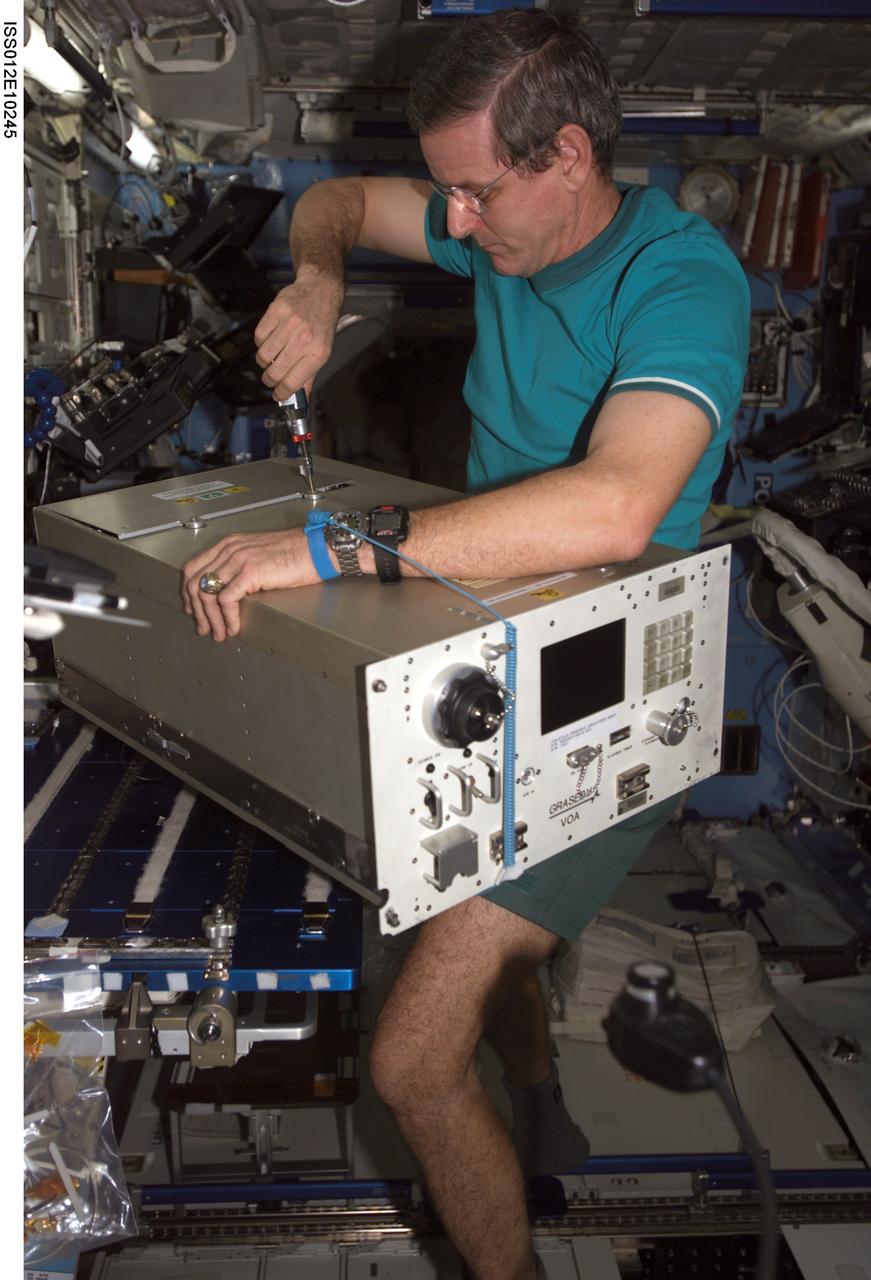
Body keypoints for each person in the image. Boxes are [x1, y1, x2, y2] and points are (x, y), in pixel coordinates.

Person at [182, 10, 750, 1277]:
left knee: (410, 1057)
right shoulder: (491, 217)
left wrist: (330, 547)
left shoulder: (682, 279)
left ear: (567, 156)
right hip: (479, 620)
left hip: (608, 673)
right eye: (445, 191)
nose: (455, 219)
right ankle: (538, 1098)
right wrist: (319, 279)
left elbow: (615, 506)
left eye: (476, 192)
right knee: (470, 916)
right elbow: (336, 202)